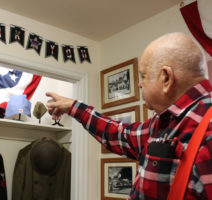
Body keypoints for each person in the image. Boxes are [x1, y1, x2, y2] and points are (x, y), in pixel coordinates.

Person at [46, 32, 212, 199]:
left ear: (166, 78)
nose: (139, 84)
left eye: (144, 76)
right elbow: (120, 134)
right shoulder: (164, 122)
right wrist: (73, 107)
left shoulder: (208, 131)